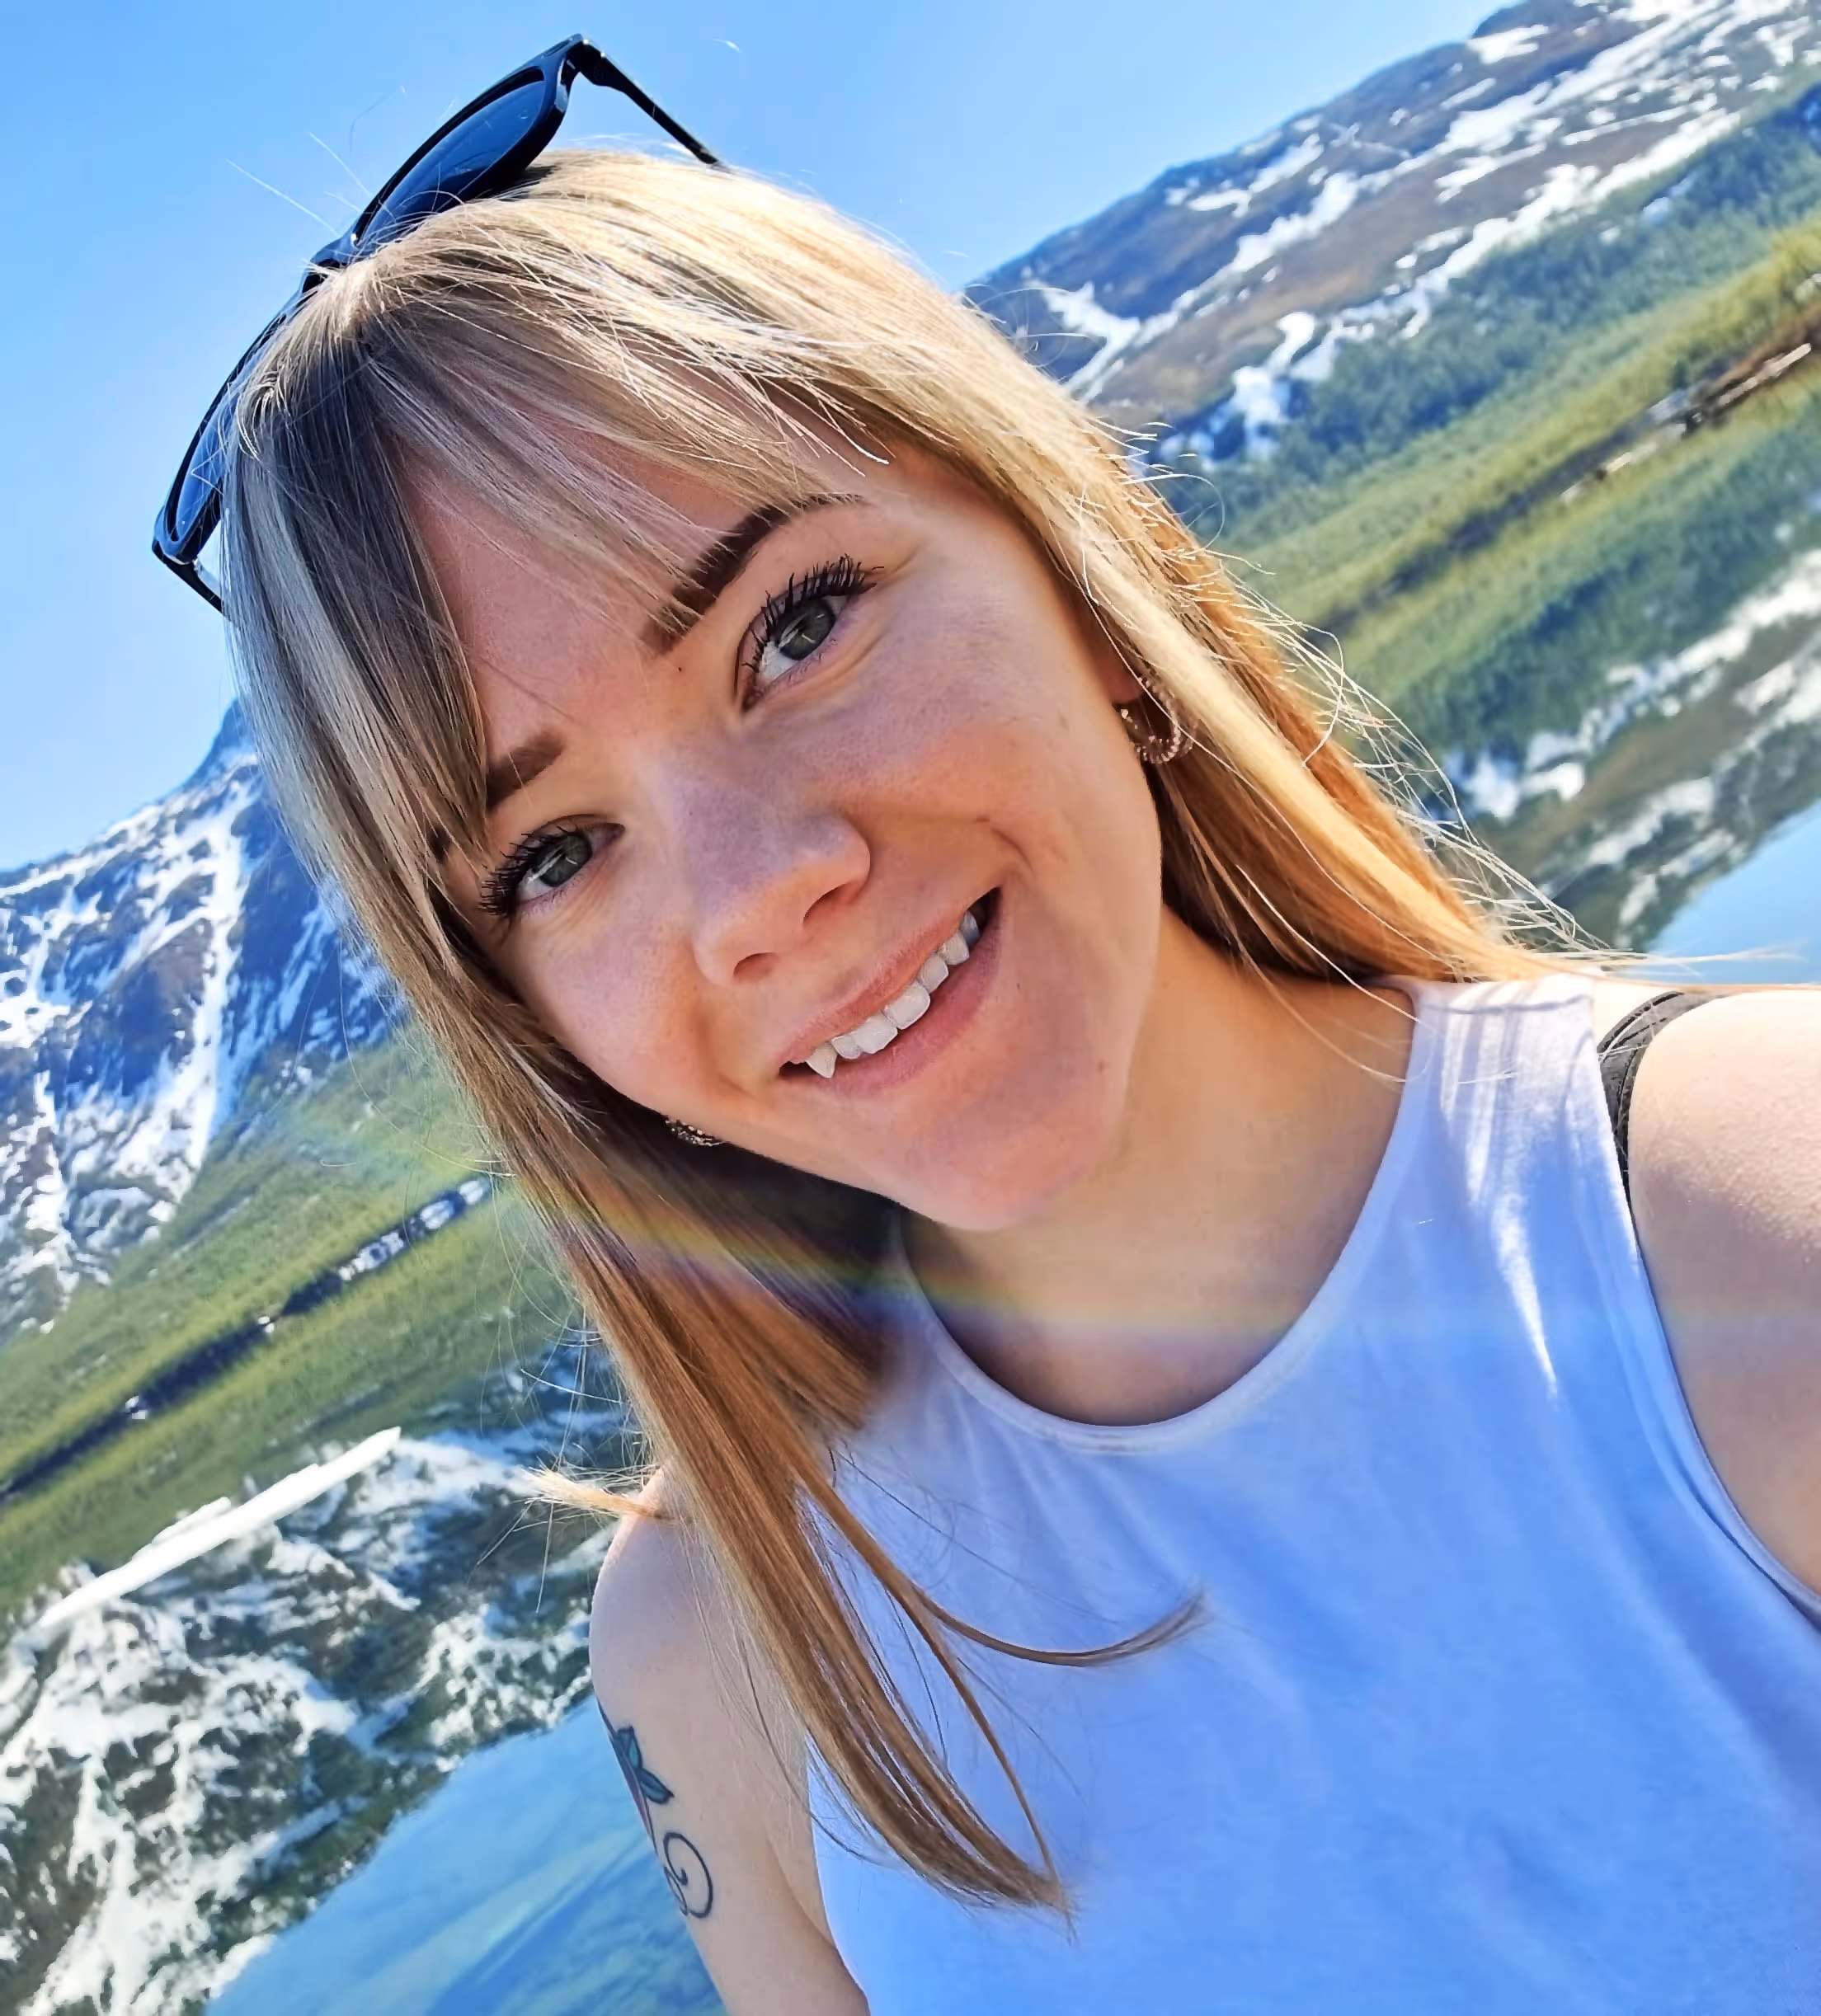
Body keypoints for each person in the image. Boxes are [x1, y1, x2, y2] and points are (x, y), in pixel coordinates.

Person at [166, 48, 1821, 2014]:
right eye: (559, 849)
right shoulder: (718, 1657)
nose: (756, 889)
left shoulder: (1742, 1227)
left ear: (1079, 569)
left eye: (796, 622)